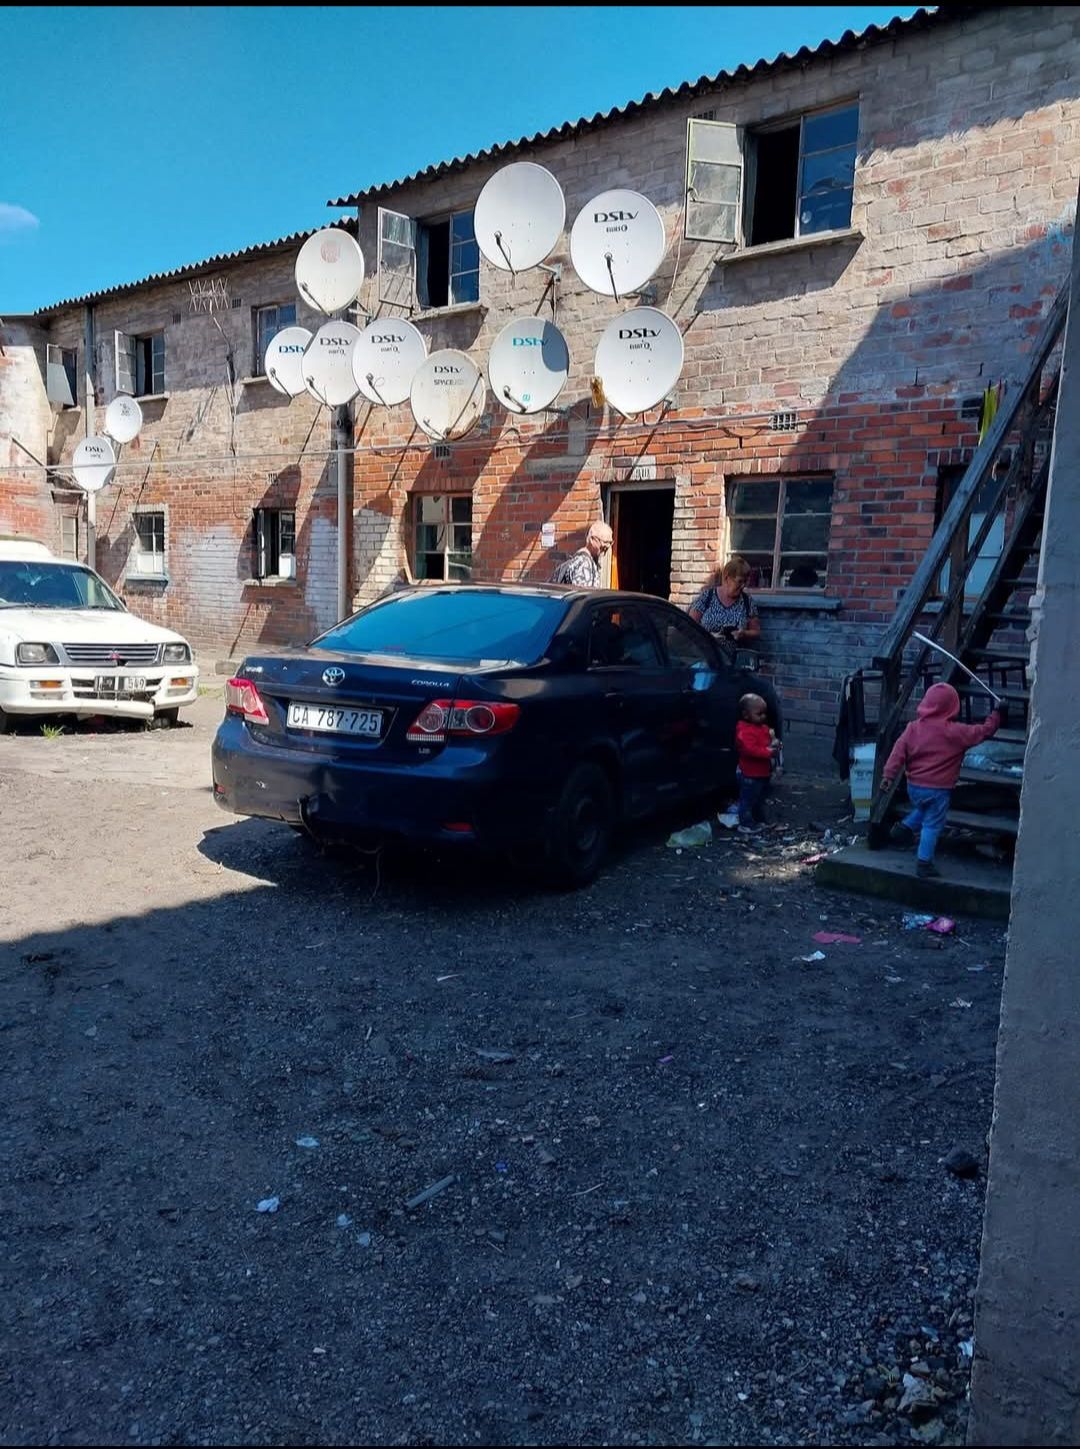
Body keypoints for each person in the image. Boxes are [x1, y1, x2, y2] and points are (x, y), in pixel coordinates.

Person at [881, 681, 1002, 879]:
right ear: (952, 706)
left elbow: (897, 752)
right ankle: (924, 862)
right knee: (932, 824)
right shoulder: (955, 732)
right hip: (938, 789)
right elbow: (983, 732)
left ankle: (905, 828)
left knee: (924, 808)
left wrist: (888, 775)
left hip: (914, 787)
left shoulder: (912, 728)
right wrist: (997, 714)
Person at [688, 556, 761, 664]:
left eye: (745, 582)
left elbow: (756, 632)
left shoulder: (747, 601)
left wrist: (744, 634)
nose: (743, 586)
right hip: (705, 659)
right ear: (727, 578)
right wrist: (708, 636)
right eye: (740, 581)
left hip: (732, 662)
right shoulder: (707, 597)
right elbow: (689, 625)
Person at [734, 692, 780, 833]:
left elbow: (768, 743)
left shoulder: (763, 728)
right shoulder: (743, 731)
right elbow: (749, 749)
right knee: (747, 800)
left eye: (764, 713)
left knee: (758, 799)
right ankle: (745, 824)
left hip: (761, 772)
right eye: (758, 714)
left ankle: (758, 821)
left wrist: (775, 744)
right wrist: (768, 752)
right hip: (749, 774)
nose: (763, 717)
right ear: (746, 715)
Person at [551, 521, 613, 587]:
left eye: (610, 542)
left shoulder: (590, 560)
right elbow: (582, 595)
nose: (608, 546)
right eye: (605, 542)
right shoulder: (583, 563)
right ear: (592, 539)